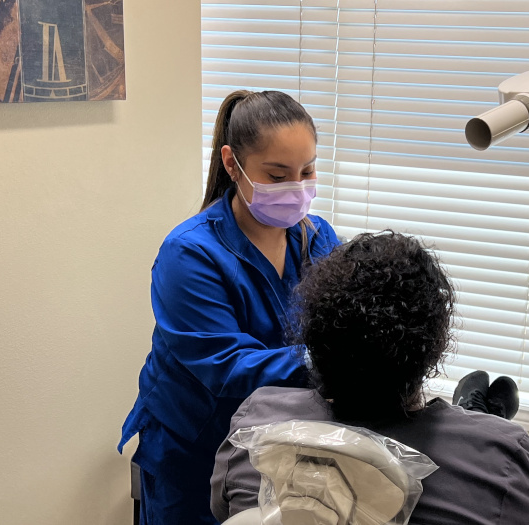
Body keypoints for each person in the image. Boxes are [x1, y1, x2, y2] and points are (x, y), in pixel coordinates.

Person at [211, 231, 529, 524]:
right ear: (434, 349)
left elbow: (226, 508)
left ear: (315, 344)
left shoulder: (256, 425)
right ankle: (481, 415)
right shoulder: (502, 455)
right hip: (493, 455)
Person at [119, 90, 340, 524]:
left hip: (277, 444)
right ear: (231, 162)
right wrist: (326, 361)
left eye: (307, 171)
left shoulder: (316, 237)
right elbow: (226, 364)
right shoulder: (189, 254)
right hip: (194, 451)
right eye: (277, 176)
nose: (296, 189)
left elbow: (343, 315)